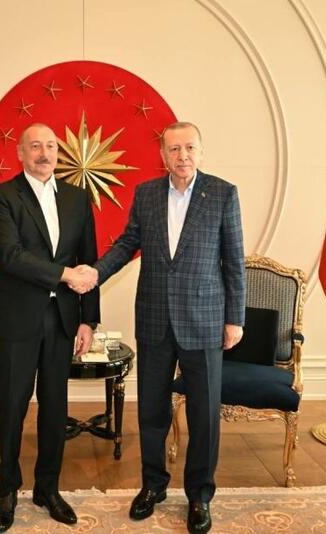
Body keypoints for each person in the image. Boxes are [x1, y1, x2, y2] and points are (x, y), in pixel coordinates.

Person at [77, 121, 245, 534]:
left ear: (201, 151)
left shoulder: (223, 193)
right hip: (154, 319)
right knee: (152, 411)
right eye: (174, 149)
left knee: (204, 415)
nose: (182, 155)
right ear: (163, 155)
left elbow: (234, 261)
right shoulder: (147, 194)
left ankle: (200, 495)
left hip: (204, 321)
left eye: (189, 147)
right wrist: (95, 272)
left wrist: (235, 318)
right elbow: (126, 243)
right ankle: (153, 486)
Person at [0, 123, 99, 532]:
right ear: (20, 152)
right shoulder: (0, 196)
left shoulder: (77, 198)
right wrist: (65, 275)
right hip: (16, 317)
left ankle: (47, 488)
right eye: (35, 146)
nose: (44, 153)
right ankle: (8, 489)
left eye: (50, 146)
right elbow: (11, 255)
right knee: (12, 406)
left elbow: (88, 261)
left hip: (62, 319)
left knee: (55, 407)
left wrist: (88, 319)